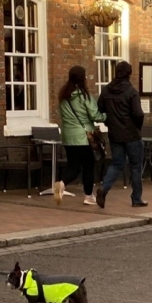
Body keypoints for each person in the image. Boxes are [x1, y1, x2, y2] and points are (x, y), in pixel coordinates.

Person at [95, 61, 147, 208]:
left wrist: (109, 123)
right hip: (132, 135)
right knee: (136, 166)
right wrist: (137, 128)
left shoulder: (106, 91)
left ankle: (104, 189)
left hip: (114, 134)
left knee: (117, 164)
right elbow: (138, 114)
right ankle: (136, 198)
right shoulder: (132, 92)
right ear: (129, 74)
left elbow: (100, 109)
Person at [54, 66, 106, 206]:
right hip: (83, 137)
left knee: (73, 166)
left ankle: (62, 183)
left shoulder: (63, 96)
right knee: (88, 166)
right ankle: (88, 196)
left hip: (67, 137)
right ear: (83, 78)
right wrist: (107, 115)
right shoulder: (84, 96)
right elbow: (95, 115)